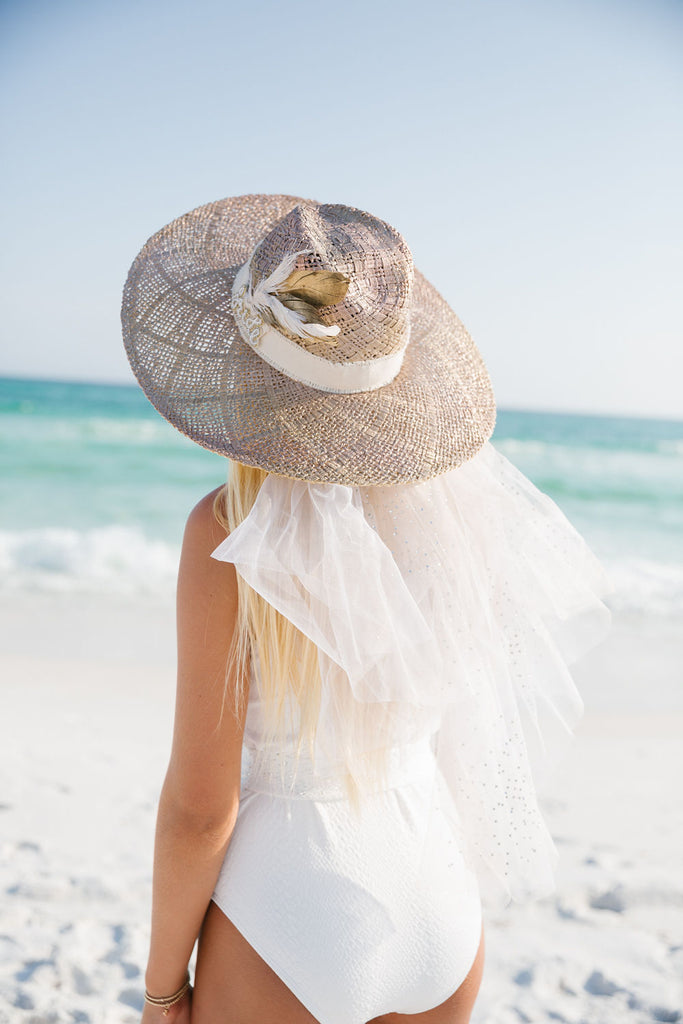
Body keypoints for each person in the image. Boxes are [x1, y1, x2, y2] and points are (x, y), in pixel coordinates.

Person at [121, 195, 612, 1024]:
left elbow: (200, 811)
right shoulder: (452, 510)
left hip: (291, 911)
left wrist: (164, 986)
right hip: (438, 900)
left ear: (242, 378)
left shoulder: (226, 534)